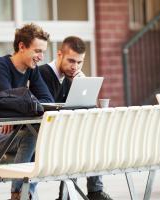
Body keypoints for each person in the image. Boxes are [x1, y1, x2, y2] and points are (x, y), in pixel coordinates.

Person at [0, 23, 54, 200]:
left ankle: (25, 193)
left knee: (43, 138)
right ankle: (18, 194)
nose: (41, 57)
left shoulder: (32, 70)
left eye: (43, 52)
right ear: (22, 47)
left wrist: (18, 111)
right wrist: (18, 109)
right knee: (31, 136)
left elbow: (47, 101)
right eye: (37, 51)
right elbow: (8, 101)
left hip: (9, 130)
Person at [39, 36, 113, 200]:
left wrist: (81, 85)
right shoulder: (44, 73)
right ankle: (68, 195)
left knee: (91, 137)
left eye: (80, 62)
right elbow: (48, 109)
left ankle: (95, 191)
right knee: (76, 142)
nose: (75, 67)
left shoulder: (74, 77)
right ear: (59, 55)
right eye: (71, 61)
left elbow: (89, 111)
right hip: (46, 133)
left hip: (66, 132)